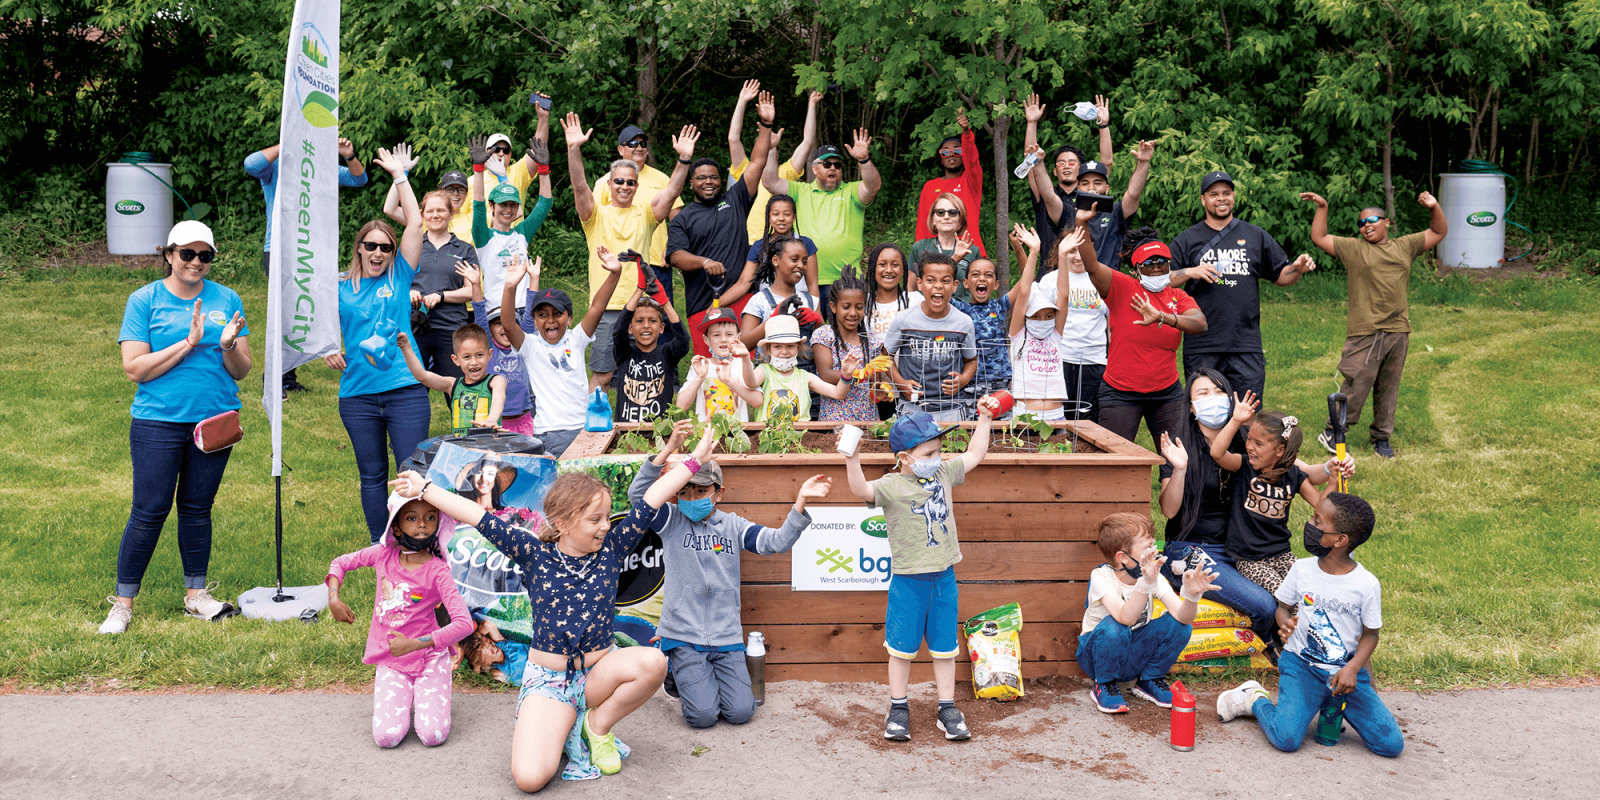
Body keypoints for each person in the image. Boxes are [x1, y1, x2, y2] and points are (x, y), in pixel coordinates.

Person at [389, 425, 719, 788]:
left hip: (598, 673)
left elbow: (654, 497)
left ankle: (596, 726)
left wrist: (695, 458)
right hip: (550, 683)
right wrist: (424, 489)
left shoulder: (612, 548)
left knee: (654, 662)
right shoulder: (533, 553)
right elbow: (475, 515)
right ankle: (562, 727)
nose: (606, 526)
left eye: (607, 518)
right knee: (530, 778)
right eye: (595, 520)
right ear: (562, 523)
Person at [100, 220, 251, 634]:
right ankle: (123, 604)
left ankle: (196, 596)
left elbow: (242, 370)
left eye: (205, 255)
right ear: (168, 255)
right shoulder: (144, 300)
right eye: (187, 253)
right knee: (149, 512)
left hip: (215, 419)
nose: (196, 262)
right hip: (158, 422)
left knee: (197, 510)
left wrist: (225, 345)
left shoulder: (228, 298)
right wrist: (187, 343)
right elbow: (134, 369)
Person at [626, 421, 829, 727]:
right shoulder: (670, 520)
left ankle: (699, 678)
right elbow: (638, 497)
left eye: (701, 490)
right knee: (703, 716)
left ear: (718, 493)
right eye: (685, 491)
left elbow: (777, 542)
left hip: (726, 637)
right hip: (683, 635)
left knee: (740, 712)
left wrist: (800, 502)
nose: (693, 497)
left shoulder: (734, 526)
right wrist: (668, 451)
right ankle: (677, 671)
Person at [842, 400, 1001, 743]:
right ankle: (899, 708)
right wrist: (851, 458)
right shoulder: (890, 485)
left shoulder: (944, 472)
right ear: (905, 458)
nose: (937, 458)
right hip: (908, 583)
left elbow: (974, 456)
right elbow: (860, 490)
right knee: (900, 649)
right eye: (929, 453)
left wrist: (985, 419)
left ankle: (947, 708)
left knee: (945, 649)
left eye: (939, 451)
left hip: (944, 579)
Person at [1217, 492, 1403, 758]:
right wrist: (1284, 625)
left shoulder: (1366, 585)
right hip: (1301, 666)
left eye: (1318, 522)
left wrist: (1352, 668)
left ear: (1340, 540)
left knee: (1391, 745)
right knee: (1287, 738)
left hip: (1345, 676)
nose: (1310, 526)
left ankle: (1333, 705)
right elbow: (1282, 608)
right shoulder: (1301, 569)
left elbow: (1371, 635)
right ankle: (1254, 698)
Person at [326, 148, 430, 544]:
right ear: (359, 248)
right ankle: (380, 543)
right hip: (358, 394)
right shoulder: (338, 287)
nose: (378, 253)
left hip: (405, 389)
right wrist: (325, 347)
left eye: (385, 247)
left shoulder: (400, 275)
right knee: (371, 475)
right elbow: (308, 325)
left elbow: (416, 222)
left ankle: (416, 540)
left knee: (410, 472)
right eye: (370, 246)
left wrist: (400, 176)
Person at [1302, 190, 1447, 459]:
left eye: (1372, 220)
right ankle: (1333, 432)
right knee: (1357, 383)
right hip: (1365, 330)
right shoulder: (1354, 250)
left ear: (1387, 222)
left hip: (1398, 329)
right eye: (1361, 223)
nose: (1366, 226)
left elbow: (1438, 232)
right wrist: (1323, 207)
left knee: (1388, 387)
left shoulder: (1405, 246)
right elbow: (1319, 238)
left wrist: (1434, 206)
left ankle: (1381, 438)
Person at [325, 492, 473, 747]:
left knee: (432, 736)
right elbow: (340, 563)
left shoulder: (437, 570)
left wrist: (416, 644)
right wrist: (333, 599)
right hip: (392, 659)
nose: (423, 524)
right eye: (412, 517)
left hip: (428, 657)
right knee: (386, 738)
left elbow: (464, 623)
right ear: (396, 525)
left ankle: (433, 686)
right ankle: (408, 694)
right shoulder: (383, 554)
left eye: (430, 517)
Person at [1166, 170, 1316, 404]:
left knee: (1247, 413)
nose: (1221, 198)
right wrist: (1191, 271)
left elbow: (1281, 275)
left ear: (1234, 197)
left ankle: (1243, 443)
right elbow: (1164, 279)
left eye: (1226, 193)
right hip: (1203, 344)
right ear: (1203, 200)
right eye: (1214, 194)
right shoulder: (1188, 239)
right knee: (1206, 411)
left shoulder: (1255, 236)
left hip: (1245, 344)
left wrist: (1297, 267)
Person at [569, 112, 694, 390]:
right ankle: (593, 429)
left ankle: (646, 428)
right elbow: (579, 186)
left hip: (642, 306)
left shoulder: (647, 214)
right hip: (607, 307)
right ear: (609, 184)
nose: (625, 186)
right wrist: (573, 148)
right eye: (619, 181)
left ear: (637, 187)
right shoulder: (594, 215)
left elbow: (673, 190)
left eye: (630, 182)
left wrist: (684, 159)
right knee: (602, 375)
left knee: (647, 374)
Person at [1155, 369, 1278, 643]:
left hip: (1241, 549)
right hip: (1190, 548)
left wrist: (1328, 469)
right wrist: (1179, 470)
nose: (1213, 398)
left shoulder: (1246, 444)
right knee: (1264, 605)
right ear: (1191, 406)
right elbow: (1169, 511)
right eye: (1203, 393)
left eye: (1219, 391)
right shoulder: (1178, 445)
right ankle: (1270, 647)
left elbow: (1290, 469)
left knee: (1289, 594)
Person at [244, 137, 366, 392]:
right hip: (280, 250)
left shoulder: (323, 169)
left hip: (314, 251)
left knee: (305, 311)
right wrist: (287, 142)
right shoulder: (277, 166)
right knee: (285, 314)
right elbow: (251, 165)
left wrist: (349, 155)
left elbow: (358, 179)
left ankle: (288, 378)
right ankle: (275, 381)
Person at [1072, 221, 1207, 446]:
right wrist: (1082, 223)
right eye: (1148, 263)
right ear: (1135, 270)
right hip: (1120, 392)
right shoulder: (1122, 288)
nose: (1156, 268)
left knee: (1177, 460)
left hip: (1166, 392)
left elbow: (1200, 323)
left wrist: (1163, 317)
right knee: (1116, 460)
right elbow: (1092, 266)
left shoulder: (1177, 297)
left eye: (1162, 262)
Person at [1209, 394, 1353, 596]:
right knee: (1283, 593)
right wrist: (1236, 421)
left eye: (1259, 444)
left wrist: (1333, 481)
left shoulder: (1293, 475)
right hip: (1249, 559)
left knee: (1309, 591)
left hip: (1281, 554)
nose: (1250, 446)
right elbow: (1217, 453)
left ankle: (1306, 626)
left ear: (1280, 451)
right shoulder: (1244, 466)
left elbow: (1322, 506)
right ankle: (1292, 626)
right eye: (1249, 439)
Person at [1078, 512, 1220, 713]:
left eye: (1154, 545)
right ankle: (1104, 684)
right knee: (1115, 626)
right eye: (1147, 548)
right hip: (1096, 656)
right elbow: (1126, 618)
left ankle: (1150, 679)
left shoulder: (1154, 575)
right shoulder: (1101, 576)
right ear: (1123, 558)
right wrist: (1145, 584)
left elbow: (1183, 617)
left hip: (1132, 653)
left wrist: (1191, 596)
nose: (1155, 551)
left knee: (1179, 626)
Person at [670, 91, 777, 348]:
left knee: (744, 370)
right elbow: (676, 256)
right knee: (709, 376)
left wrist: (766, 125)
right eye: (701, 178)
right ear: (691, 183)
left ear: (721, 180)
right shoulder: (682, 218)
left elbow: (758, 161)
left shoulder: (736, 199)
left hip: (742, 301)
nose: (708, 181)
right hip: (703, 305)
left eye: (714, 177)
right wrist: (704, 262)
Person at [498, 248, 623, 457]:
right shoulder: (530, 345)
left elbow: (597, 308)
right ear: (535, 322)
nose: (550, 320)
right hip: (549, 434)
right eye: (543, 314)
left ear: (570, 319)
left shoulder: (577, 338)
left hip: (585, 429)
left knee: (584, 485)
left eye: (557, 313)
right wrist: (510, 287)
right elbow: (509, 325)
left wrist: (615, 274)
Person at [381, 145, 480, 386]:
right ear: (422, 215)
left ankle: (466, 425)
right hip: (414, 326)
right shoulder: (413, 243)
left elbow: (472, 291)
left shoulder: (465, 249)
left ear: (451, 214)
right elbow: (389, 208)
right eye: (430, 211)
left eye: (441, 211)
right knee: (412, 385)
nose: (435, 215)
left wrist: (442, 295)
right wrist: (400, 175)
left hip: (451, 328)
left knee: (457, 386)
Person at [762, 128, 882, 308]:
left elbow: (873, 186)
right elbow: (770, 182)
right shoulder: (800, 191)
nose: (833, 167)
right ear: (815, 169)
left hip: (847, 280)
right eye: (827, 164)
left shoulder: (851, 191)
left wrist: (863, 160)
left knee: (847, 333)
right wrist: (771, 150)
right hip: (805, 279)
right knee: (810, 332)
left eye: (837, 165)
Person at [1032, 140, 1156, 274]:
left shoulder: (1116, 213)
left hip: (1106, 290)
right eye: (1085, 183)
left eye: (1097, 183)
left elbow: (1133, 194)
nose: (1091, 188)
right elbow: (1049, 197)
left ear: (1106, 188)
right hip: (1071, 290)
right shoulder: (1067, 213)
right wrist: (1038, 163)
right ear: (1078, 188)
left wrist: (1143, 162)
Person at [467, 130, 554, 319]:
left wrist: (544, 170)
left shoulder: (522, 232)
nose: (508, 209)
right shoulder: (483, 235)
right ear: (492, 206)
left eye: (513, 204)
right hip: (494, 312)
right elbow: (478, 204)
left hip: (524, 311)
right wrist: (478, 169)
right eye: (503, 204)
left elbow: (544, 204)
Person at [594, 123, 688, 291]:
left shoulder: (663, 179)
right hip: (619, 260)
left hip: (657, 261)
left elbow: (678, 219)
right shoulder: (604, 183)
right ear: (620, 150)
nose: (639, 147)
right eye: (632, 143)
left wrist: (672, 247)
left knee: (661, 315)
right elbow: (595, 224)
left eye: (642, 143)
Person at [885, 254, 978, 422]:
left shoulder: (964, 322)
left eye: (945, 280)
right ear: (919, 283)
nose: (938, 286)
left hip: (952, 409)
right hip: (911, 407)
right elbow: (885, 356)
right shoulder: (904, 319)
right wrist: (900, 382)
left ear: (955, 285)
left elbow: (971, 360)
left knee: (952, 449)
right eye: (930, 280)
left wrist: (963, 380)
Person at [730, 83, 821, 249]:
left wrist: (812, 105)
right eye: (762, 146)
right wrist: (742, 101)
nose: (766, 149)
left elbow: (808, 141)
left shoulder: (784, 174)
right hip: (748, 243)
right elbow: (733, 139)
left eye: (770, 147)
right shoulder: (745, 171)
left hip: (781, 243)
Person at [1020, 92, 1114, 252]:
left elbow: (1106, 163)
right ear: (1054, 171)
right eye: (1061, 163)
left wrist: (1103, 125)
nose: (1066, 166)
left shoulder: (1090, 194)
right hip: (1049, 272)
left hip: (1084, 269)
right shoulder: (1045, 194)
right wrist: (1031, 123)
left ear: (1081, 170)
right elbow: (1030, 159)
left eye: (1072, 162)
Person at [1006, 227, 1076, 420]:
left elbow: (1063, 294)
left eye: (1048, 315)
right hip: (1024, 417)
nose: (1042, 320)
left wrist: (1062, 255)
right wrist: (1034, 252)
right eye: (1035, 316)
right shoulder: (1019, 335)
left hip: (1057, 416)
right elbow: (1024, 292)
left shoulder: (1055, 334)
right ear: (1026, 317)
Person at [459, 261, 535, 435]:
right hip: (496, 422)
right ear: (490, 330)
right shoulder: (489, 347)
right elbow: (479, 313)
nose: (504, 328)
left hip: (524, 420)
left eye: (509, 323)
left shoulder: (524, 345)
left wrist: (534, 278)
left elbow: (530, 315)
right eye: (497, 323)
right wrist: (476, 284)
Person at [741, 315, 859, 422]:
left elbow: (838, 393)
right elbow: (751, 382)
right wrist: (746, 357)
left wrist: (846, 375)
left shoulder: (805, 377)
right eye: (777, 346)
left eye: (790, 346)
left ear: (798, 348)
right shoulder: (764, 371)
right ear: (768, 349)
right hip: (769, 439)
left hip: (800, 440)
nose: (784, 352)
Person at [812, 265, 887, 422]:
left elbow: (874, 381)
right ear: (833, 307)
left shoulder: (872, 341)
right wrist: (861, 374)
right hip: (834, 420)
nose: (853, 313)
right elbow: (825, 375)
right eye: (846, 307)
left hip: (868, 420)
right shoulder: (824, 336)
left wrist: (881, 390)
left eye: (859, 307)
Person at [397, 324, 504, 435]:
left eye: (479, 355)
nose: (474, 362)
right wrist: (406, 347)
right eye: (467, 357)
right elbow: (422, 376)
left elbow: (498, 399)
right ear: (456, 360)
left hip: (489, 447)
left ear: (489, 354)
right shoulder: (452, 385)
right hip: (461, 449)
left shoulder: (496, 381)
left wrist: (491, 420)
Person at [739, 235, 823, 365]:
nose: (801, 265)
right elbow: (743, 344)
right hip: (770, 377)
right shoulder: (759, 300)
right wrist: (772, 320)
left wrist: (818, 320)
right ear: (775, 260)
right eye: (794, 259)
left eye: (805, 261)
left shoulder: (811, 300)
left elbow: (825, 341)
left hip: (807, 377)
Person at [914, 108, 987, 258]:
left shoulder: (970, 180)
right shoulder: (930, 186)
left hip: (969, 252)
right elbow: (922, 223)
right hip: (937, 254)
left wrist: (966, 133)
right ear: (940, 158)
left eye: (957, 151)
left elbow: (972, 161)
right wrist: (921, 256)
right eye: (945, 152)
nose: (951, 155)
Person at [612, 283, 690, 424]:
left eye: (652, 321)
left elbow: (683, 341)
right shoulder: (624, 352)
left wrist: (665, 302)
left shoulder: (667, 354)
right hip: (625, 434)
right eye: (639, 321)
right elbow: (618, 331)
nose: (646, 325)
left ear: (661, 328)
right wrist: (639, 289)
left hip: (659, 434)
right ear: (630, 328)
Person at [676, 306, 760, 422]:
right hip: (705, 434)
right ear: (706, 340)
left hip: (737, 436)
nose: (723, 339)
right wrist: (700, 377)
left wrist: (730, 382)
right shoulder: (700, 366)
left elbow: (757, 401)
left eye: (729, 334)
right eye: (716, 335)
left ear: (738, 337)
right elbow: (680, 406)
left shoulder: (743, 364)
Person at [744, 193, 820, 299]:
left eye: (787, 214)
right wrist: (716, 304)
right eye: (776, 214)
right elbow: (743, 283)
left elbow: (812, 285)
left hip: (800, 305)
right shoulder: (759, 246)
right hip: (768, 307)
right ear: (769, 218)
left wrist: (816, 313)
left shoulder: (806, 243)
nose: (781, 218)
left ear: (794, 218)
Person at [909, 194, 978, 301]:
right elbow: (911, 288)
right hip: (927, 311)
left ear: (961, 220)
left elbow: (978, 290)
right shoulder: (919, 248)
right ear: (933, 219)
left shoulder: (972, 251)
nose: (946, 217)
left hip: (962, 311)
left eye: (952, 212)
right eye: (940, 212)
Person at [458, 618, 529, 686]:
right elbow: (475, 678)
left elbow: (487, 625)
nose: (494, 648)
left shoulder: (502, 644)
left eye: (490, 643)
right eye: (491, 651)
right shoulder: (498, 672)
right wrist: (477, 666)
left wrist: (477, 634)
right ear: (486, 662)